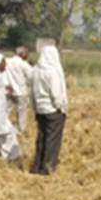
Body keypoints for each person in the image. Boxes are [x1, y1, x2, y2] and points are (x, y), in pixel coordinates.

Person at [30, 44, 68, 175]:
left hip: (40, 109)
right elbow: (56, 94)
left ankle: (37, 166)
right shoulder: (52, 72)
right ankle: (48, 167)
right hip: (52, 110)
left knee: (41, 137)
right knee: (52, 139)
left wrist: (34, 107)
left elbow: (32, 92)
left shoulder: (35, 70)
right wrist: (61, 108)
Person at [5, 46, 34, 133]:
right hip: (21, 91)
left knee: (7, 110)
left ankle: (4, 127)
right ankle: (21, 129)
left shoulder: (7, 61)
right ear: (22, 54)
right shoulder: (23, 64)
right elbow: (31, 76)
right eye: (27, 53)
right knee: (21, 112)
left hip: (9, 91)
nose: (28, 55)